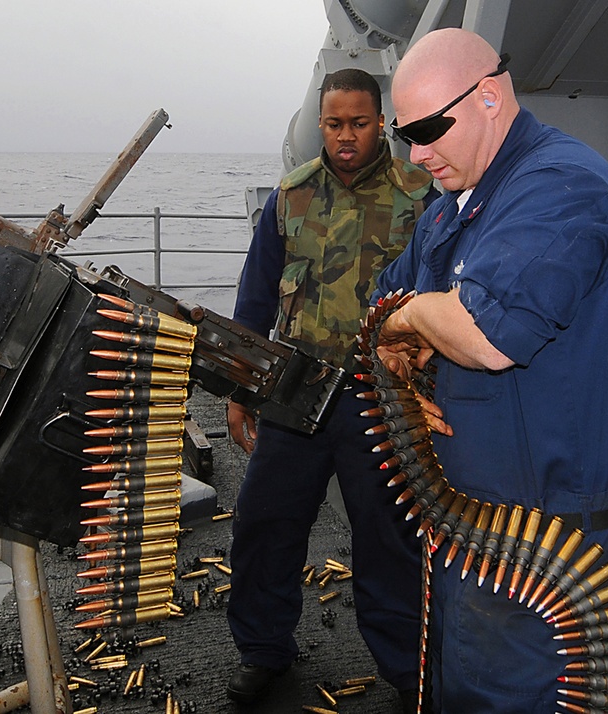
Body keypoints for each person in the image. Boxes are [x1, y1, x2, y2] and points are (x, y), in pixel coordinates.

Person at [376, 28, 608, 713]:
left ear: (489, 97)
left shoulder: (562, 187)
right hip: (476, 540)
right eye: (405, 133)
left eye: (431, 128)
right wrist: (393, 332)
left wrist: (414, 320)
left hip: (560, 550)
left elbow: (488, 337)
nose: (417, 153)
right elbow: (384, 300)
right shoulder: (450, 210)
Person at [225, 68, 437, 710]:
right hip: (295, 390)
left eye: (360, 123)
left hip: (382, 395)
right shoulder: (287, 198)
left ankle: (408, 670)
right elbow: (256, 299)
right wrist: (240, 389)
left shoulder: (419, 196)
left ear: (382, 123)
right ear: (320, 124)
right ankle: (264, 651)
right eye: (334, 124)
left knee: (390, 534)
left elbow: (441, 299)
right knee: (266, 522)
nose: (347, 137)